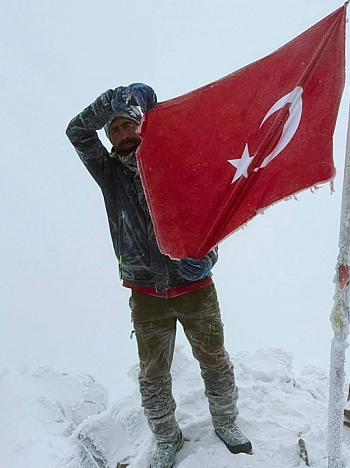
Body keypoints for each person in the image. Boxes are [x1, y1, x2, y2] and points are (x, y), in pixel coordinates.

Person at [66, 84, 252, 468]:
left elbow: (208, 213)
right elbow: (77, 132)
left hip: (195, 287)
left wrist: (209, 257)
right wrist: (110, 102)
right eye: (113, 129)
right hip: (145, 294)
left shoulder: (172, 162)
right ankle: (167, 438)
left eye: (126, 125)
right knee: (153, 374)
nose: (120, 133)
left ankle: (227, 422)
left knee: (214, 360)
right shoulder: (108, 175)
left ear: (141, 126)